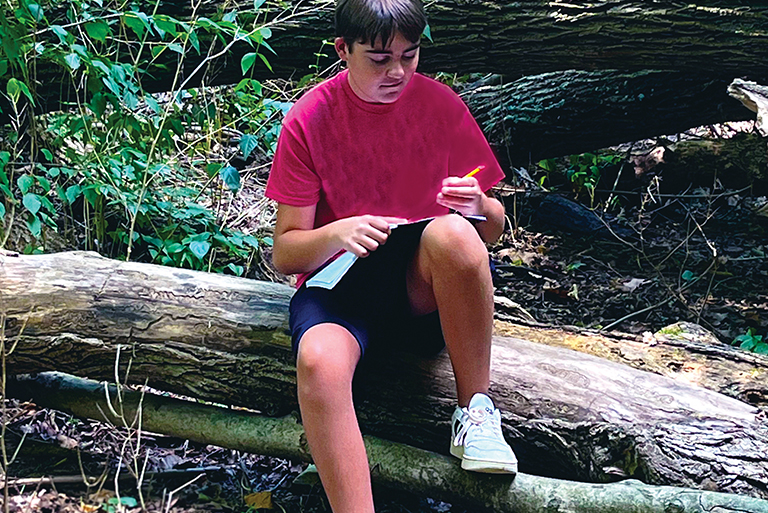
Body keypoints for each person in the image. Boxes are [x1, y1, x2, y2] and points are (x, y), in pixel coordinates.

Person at [265, 0, 518, 510]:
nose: (398, 71)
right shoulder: (311, 117)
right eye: (380, 58)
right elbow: (286, 253)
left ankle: (476, 413)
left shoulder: (442, 107)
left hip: (422, 292)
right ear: (343, 50)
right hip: (344, 290)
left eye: (410, 54)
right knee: (317, 363)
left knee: (453, 233)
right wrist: (337, 232)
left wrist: (479, 205)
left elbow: (490, 232)